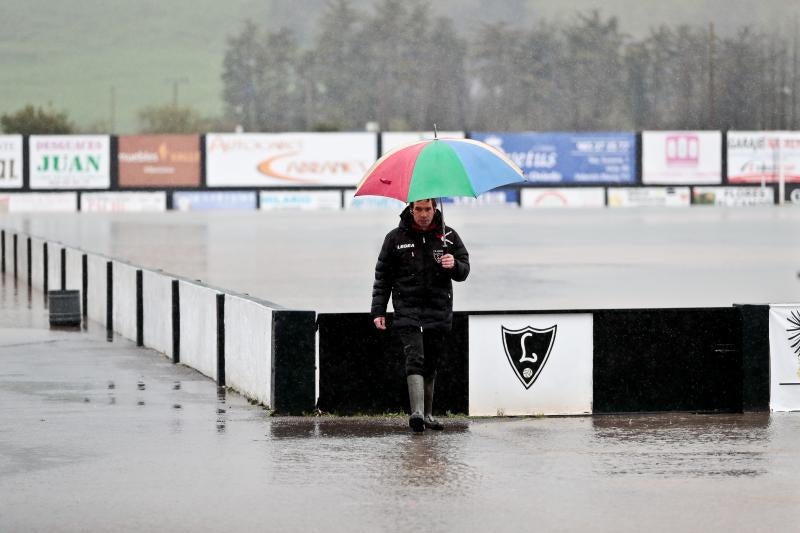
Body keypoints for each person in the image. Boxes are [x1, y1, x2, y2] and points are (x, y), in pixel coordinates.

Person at [371, 198, 470, 432]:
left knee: (431, 361)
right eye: (418, 209)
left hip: (438, 309)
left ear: (435, 209)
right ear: (411, 209)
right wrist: (378, 310)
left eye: (427, 209)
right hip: (407, 309)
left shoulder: (449, 236)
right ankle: (416, 413)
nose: (423, 214)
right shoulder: (394, 238)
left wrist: (454, 264)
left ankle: (428, 415)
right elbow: (382, 277)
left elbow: (464, 270)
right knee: (415, 358)